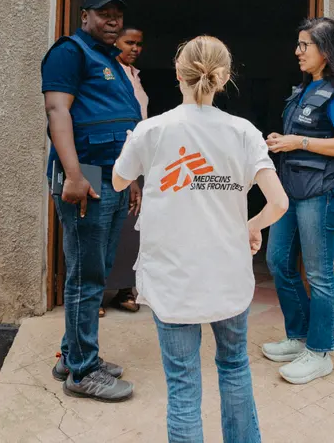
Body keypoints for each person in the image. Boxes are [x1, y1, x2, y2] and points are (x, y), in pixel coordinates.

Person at [112, 35, 289, 443]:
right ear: (224, 78)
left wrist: (133, 151)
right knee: (234, 366)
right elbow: (278, 202)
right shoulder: (243, 132)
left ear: (178, 74)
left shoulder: (150, 130)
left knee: (183, 381)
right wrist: (253, 226)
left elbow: (120, 180)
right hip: (228, 274)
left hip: (172, 277)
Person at [41, 0, 143, 402]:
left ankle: (72, 355)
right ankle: (82, 372)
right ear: (84, 16)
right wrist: (73, 175)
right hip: (85, 174)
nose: (113, 20)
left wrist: (131, 176)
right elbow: (57, 110)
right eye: (104, 13)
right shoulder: (69, 52)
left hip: (112, 175)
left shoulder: (109, 58)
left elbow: (121, 123)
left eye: (117, 13)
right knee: (87, 275)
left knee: (95, 269)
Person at [262, 17, 334, 385]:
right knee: (278, 262)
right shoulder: (305, 89)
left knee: (319, 274)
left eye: (305, 45)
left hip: (321, 192)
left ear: (326, 49)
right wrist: (283, 140)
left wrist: (298, 143)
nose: (298, 51)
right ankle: (299, 336)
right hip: (291, 189)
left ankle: (320, 352)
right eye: (299, 44)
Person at [103, 26, 148, 315]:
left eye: (139, 44)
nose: (135, 48)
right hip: (109, 159)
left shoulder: (135, 75)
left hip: (136, 158)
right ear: (114, 41)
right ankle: (94, 296)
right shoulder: (107, 73)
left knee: (131, 229)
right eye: (129, 42)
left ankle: (124, 291)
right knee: (102, 228)